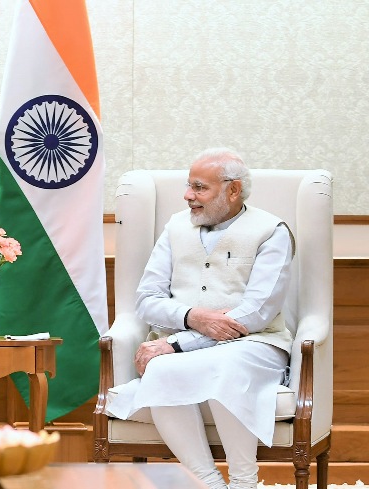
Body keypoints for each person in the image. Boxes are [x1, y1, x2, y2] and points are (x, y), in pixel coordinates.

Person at [105, 148, 294, 489]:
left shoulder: (271, 231)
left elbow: (256, 312)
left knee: (225, 366)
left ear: (232, 190)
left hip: (255, 343)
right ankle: (207, 483)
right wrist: (193, 316)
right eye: (188, 186)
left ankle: (243, 481)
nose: (187, 196)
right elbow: (147, 299)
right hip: (181, 343)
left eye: (199, 187)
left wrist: (177, 342)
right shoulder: (175, 227)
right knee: (159, 369)